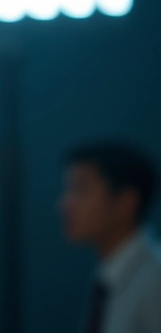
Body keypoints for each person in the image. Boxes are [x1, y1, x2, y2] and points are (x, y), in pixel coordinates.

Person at [59, 139, 161, 333]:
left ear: (126, 202)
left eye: (81, 189)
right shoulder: (110, 274)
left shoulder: (155, 281)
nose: (65, 203)